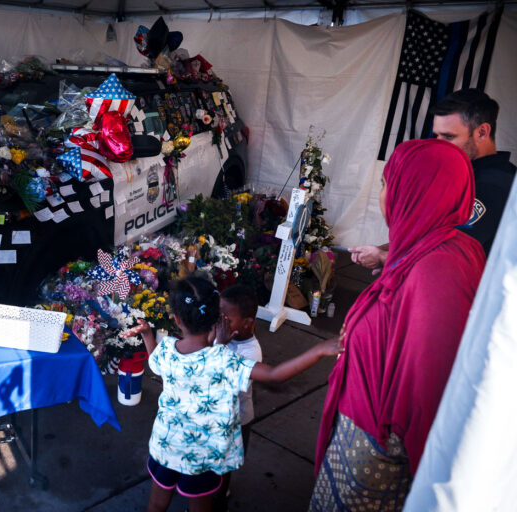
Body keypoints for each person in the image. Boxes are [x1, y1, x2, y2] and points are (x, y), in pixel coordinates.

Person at [309, 139, 486, 511]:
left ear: (416, 191)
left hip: (375, 449)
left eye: (389, 183)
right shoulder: (439, 246)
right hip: (370, 427)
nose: (383, 194)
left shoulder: (436, 273)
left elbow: (428, 387)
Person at [132, 275, 342, 512]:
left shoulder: (168, 349)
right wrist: (320, 349)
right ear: (216, 318)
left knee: (157, 505)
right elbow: (275, 375)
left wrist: (148, 334)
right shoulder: (225, 360)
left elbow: (155, 363)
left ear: (177, 319)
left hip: (166, 445)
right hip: (204, 456)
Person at [350, 89, 515, 266]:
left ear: (482, 132)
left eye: (449, 136)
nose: (439, 144)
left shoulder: (495, 184)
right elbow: (434, 234)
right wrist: (387, 250)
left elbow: (447, 252)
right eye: (437, 135)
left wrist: (383, 259)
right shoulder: (461, 173)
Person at [211, 284, 262, 511]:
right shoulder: (225, 336)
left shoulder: (251, 352)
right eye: (219, 317)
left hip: (236, 420)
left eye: (226, 319)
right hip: (216, 416)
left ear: (247, 323)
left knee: (224, 467)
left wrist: (219, 345)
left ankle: (219, 500)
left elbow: (225, 385)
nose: (221, 323)